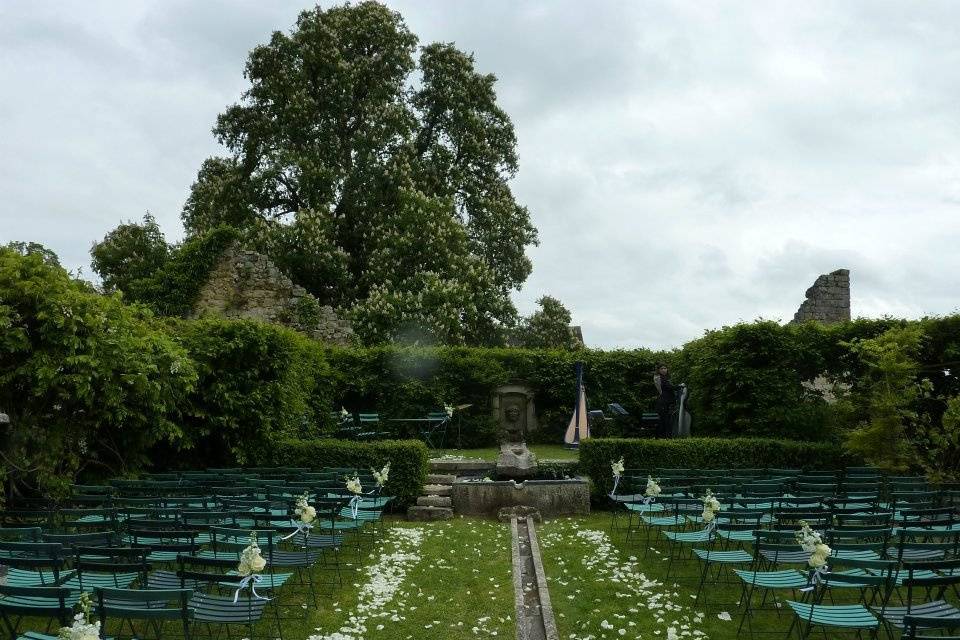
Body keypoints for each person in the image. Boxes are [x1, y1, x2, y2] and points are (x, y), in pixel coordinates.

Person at [653, 363, 675, 438]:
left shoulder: (665, 377)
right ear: (658, 370)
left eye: (665, 368)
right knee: (664, 419)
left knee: (667, 419)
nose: (663, 370)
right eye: (661, 368)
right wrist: (678, 387)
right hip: (663, 402)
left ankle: (665, 436)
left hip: (666, 402)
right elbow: (668, 387)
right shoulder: (660, 378)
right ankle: (663, 437)